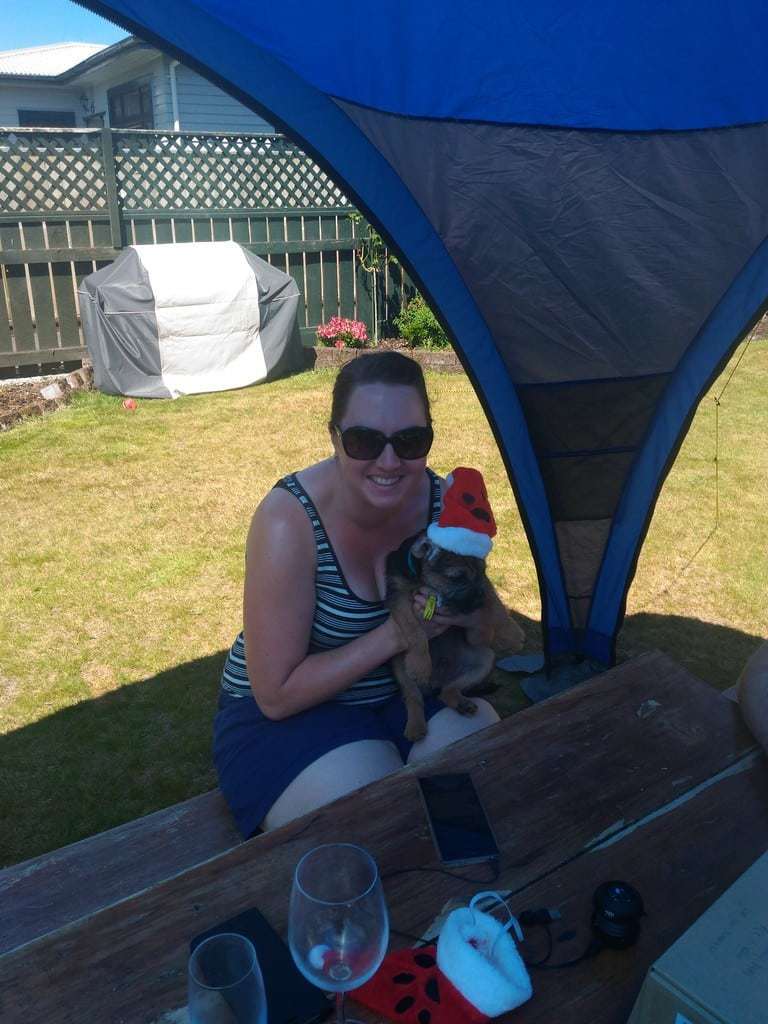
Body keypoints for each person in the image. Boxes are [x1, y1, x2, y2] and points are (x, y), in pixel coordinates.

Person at [213, 351, 500, 837]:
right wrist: (399, 634)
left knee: (484, 774)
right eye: (364, 440)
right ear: (334, 438)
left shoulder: (443, 507)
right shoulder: (289, 520)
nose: (389, 462)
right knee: (379, 817)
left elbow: (486, 627)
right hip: (290, 714)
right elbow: (276, 696)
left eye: (410, 441)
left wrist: (467, 616)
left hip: (406, 691)